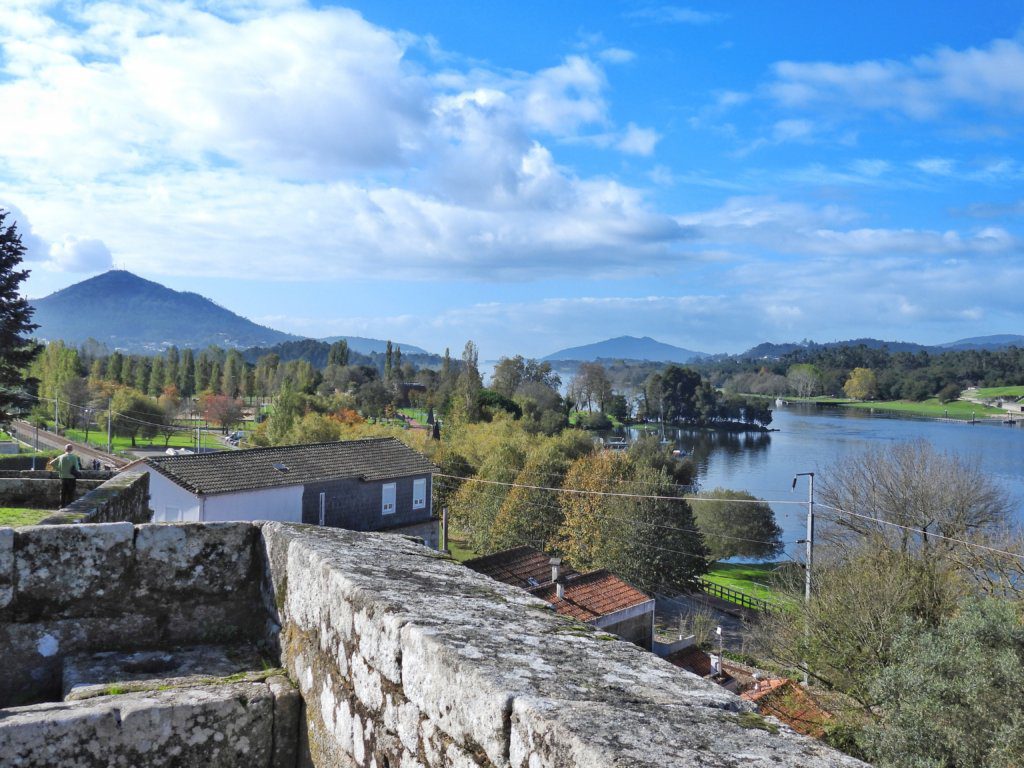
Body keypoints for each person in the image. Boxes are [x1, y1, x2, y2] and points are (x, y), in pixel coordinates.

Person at [47, 444, 81, 508]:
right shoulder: (74, 457)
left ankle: (62, 506)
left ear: (65, 449)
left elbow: (51, 463)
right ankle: (70, 506)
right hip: (71, 477)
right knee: (71, 493)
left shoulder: (61, 456)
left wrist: (58, 469)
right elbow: (76, 468)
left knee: (63, 493)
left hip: (63, 477)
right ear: (72, 449)